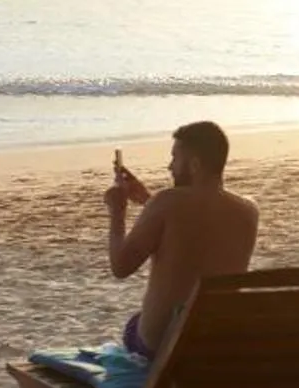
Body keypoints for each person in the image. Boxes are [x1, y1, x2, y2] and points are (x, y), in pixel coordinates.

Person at [100, 121, 260, 361]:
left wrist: (117, 210)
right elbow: (198, 227)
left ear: (194, 165)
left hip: (166, 343)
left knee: (134, 325)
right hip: (217, 337)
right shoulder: (248, 210)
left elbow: (120, 267)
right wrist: (147, 200)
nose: (170, 166)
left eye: (175, 158)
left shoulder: (167, 203)